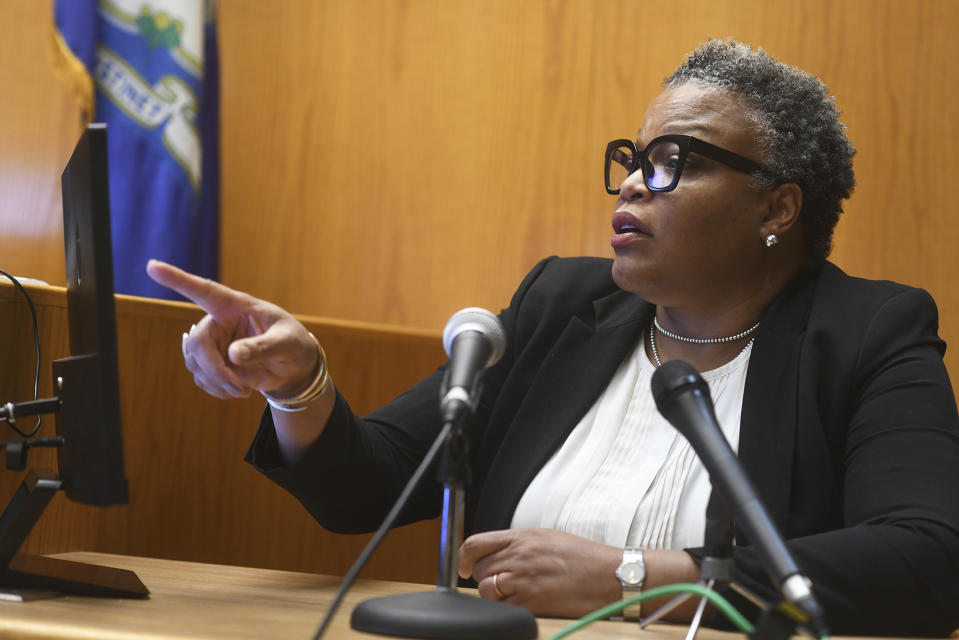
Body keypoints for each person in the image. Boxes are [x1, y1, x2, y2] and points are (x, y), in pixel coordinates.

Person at [147, 39, 959, 636]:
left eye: (676, 160)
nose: (637, 180)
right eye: (634, 157)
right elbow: (369, 486)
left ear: (776, 209)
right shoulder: (560, 305)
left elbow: (926, 559)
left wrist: (632, 581)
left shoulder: (865, 334)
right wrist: (299, 384)